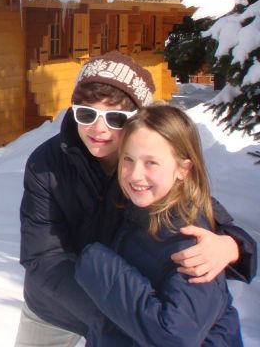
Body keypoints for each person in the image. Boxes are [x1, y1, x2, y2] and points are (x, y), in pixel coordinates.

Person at [15, 52, 255, 347]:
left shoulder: (147, 165)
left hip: (128, 310)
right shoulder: (47, 163)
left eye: (115, 117)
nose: (98, 128)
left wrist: (231, 247)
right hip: (59, 304)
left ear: (138, 118)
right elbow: (42, 256)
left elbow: (198, 213)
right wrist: (108, 320)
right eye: (86, 114)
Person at [75, 104, 242, 345]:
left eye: (151, 163)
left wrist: (97, 265)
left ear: (183, 170)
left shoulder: (192, 242)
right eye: (128, 160)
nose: (134, 174)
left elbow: (174, 336)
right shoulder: (136, 211)